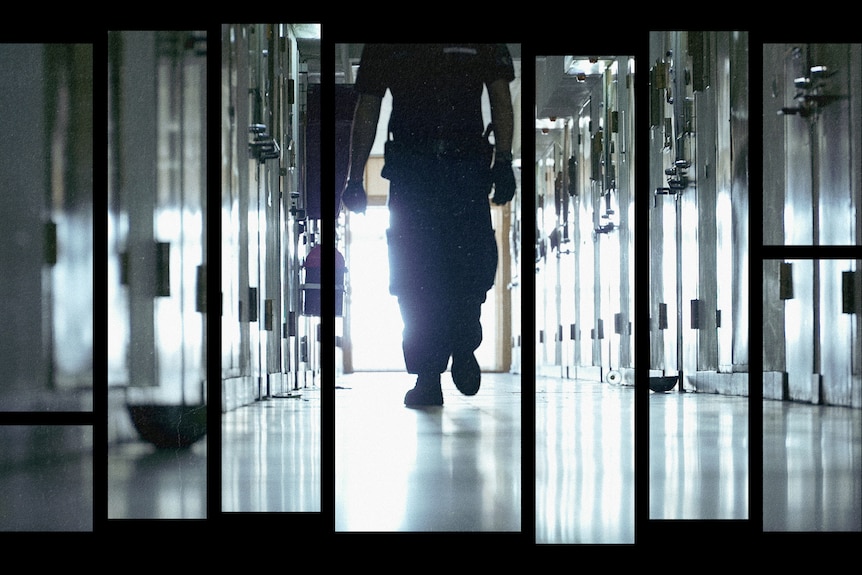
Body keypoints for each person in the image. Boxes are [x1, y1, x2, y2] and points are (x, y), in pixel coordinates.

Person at [341, 43, 516, 407]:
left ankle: (445, 361)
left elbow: (369, 109)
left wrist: (355, 179)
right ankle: (445, 359)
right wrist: (503, 159)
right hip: (438, 171)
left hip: (437, 171)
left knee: (438, 270)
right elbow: (368, 106)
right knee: (436, 269)